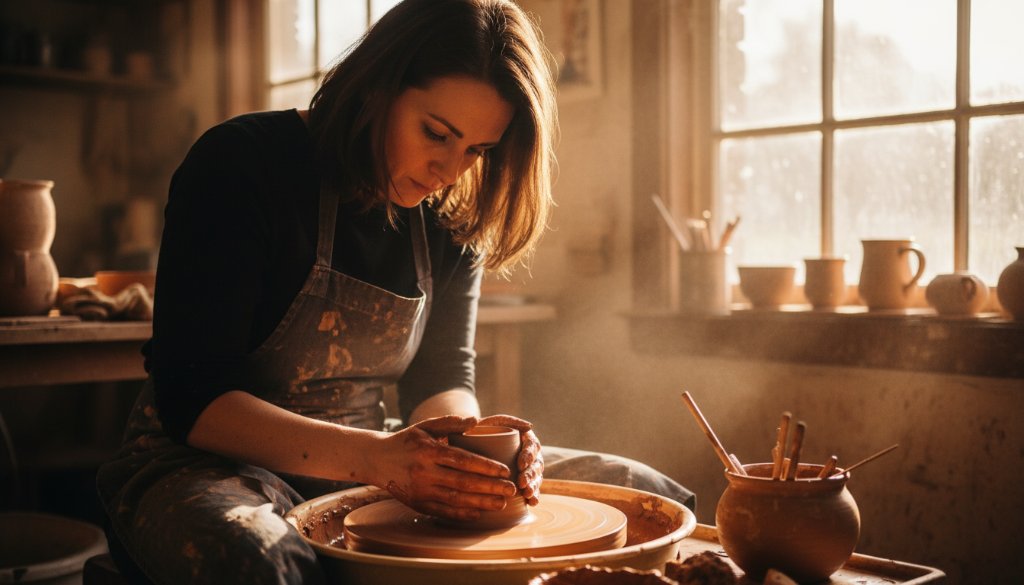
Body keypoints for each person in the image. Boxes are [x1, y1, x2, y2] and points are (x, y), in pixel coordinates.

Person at [96, 0, 694, 583]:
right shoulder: (242, 164)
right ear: (376, 85)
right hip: (204, 462)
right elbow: (192, 398)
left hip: (369, 464)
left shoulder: (450, 214)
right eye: (436, 133)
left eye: (476, 151)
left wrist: (472, 453)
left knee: (650, 497)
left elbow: (441, 377)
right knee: (261, 563)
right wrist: (380, 461)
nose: (450, 170)